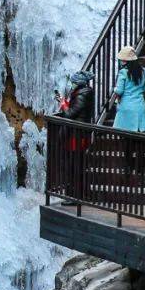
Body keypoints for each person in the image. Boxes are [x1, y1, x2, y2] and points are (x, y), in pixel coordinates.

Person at [54, 70, 94, 200]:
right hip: (77, 134)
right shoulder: (82, 93)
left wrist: (63, 104)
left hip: (77, 135)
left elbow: (70, 114)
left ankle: (75, 197)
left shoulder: (82, 95)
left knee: (75, 166)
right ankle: (75, 195)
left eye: (73, 82)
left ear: (79, 84)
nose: (71, 84)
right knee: (75, 165)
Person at [112, 45, 145, 174]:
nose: (121, 61)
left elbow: (119, 90)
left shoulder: (123, 72)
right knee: (139, 139)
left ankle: (127, 167)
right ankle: (141, 167)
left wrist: (114, 91)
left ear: (126, 61)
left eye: (122, 59)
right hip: (139, 107)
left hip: (126, 108)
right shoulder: (143, 71)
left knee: (127, 139)